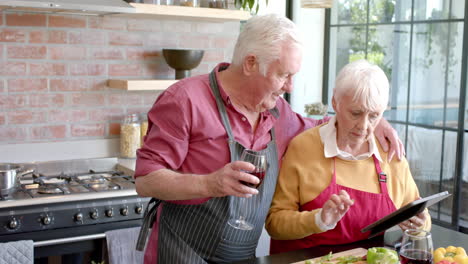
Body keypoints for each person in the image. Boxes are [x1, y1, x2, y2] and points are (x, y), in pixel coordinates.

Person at [134, 14, 404, 263]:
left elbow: (329, 124)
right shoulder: (184, 100)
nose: (290, 87)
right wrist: (210, 183)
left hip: (242, 257)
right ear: (251, 63)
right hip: (181, 253)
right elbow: (146, 180)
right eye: (284, 75)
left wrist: (376, 120)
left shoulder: (278, 112)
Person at [265, 60, 430, 255]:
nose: (364, 126)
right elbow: (274, 223)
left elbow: (418, 212)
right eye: (356, 113)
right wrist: (319, 220)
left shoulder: (391, 152)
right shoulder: (303, 147)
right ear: (335, 102)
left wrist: (420, 224)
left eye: (374, 116)